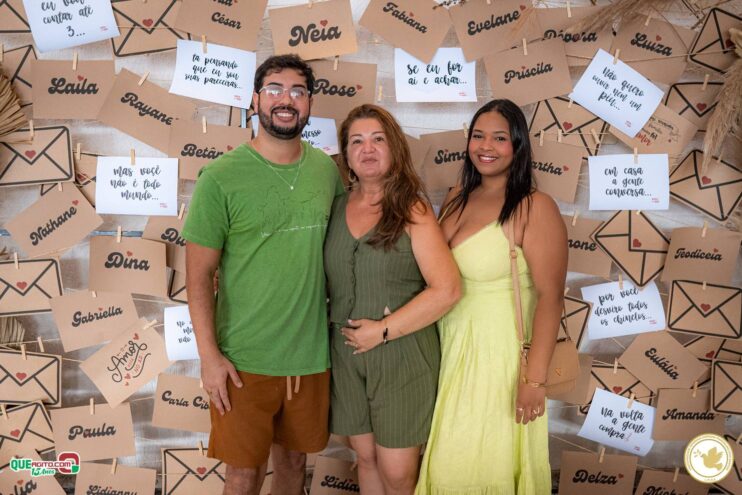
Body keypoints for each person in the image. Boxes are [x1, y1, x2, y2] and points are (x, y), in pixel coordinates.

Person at [183, 54, 344, 495]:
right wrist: (209, 358)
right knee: (243, 474)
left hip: (310, 357)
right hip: (242, 361)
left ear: (309, 103)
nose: (285, 100)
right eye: (274, 89)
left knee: (294, 464)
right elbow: (198, 277)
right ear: (254, 100)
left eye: (297, 91)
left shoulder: (326, 171)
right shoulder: (220, 177)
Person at [416, 99, 567, 494]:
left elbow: (551, 298)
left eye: (499, 138)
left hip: (498, 362)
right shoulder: (456, 196)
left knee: (483, 465)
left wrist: (534, 381)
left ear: (518, 145)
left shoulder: (534, 207)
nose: (486, 146)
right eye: (478, 136)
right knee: (447, 465)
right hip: (449, 351)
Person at [324, 104, 461, 494]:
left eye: (377, 139)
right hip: (345, 354)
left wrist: (382, 330)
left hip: (401, 353)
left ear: (394, 148)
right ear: (346, 155)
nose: (367, 149)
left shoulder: (412, 209)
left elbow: (448, 289)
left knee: (398, 473)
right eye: (357, 141)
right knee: (365, 458)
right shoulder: (334, 206)